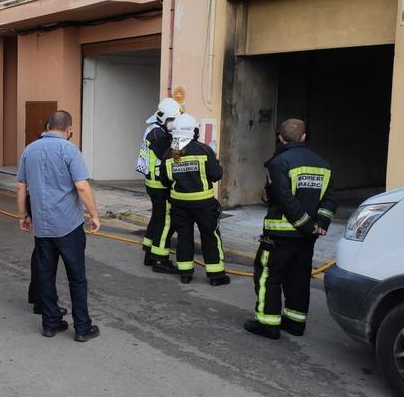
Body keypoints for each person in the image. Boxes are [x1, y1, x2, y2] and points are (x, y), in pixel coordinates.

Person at [244, 119, 337, 340]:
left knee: (269, 276)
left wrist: (304, 224)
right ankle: (295, 323)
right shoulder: (323, 164)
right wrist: (320, 224)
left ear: (281, 138)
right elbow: (330, 198)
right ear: (304, 137)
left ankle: (268, 324)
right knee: (299, 277)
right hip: (308, 237)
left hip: (281, 234)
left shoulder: (279, 162)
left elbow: (284, 199)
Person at [17, 110, 101, 342]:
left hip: (42, 225)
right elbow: (82, 187)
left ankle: (50, 323)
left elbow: (21, 187)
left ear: (47, 126)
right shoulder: (69, 150)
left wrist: (23, 215)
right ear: (69, 129)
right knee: (77, 277)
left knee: (45, 274)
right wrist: (94, 215)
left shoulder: (29, 150)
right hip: (68, 225)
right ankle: (83, 328)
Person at [159, 114, 230, 286]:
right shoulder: (204, 150)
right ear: (193, 131)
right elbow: (216, 175)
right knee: (210, 236)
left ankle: (185, 274)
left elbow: (165, 181)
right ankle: (216, 276)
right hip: (204, 204)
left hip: (179, 204)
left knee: (184, 237)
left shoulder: (168, 154)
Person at [139, 98, 181, 273]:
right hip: (160, 185)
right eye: (173, 121)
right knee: (166, 221)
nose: (174, 124)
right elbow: (168, 156)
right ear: (164, 119)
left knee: (157, 217)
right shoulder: (159, 135)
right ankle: (160, 259)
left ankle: (149, 252)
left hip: (153, 183)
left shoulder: (155, 129)